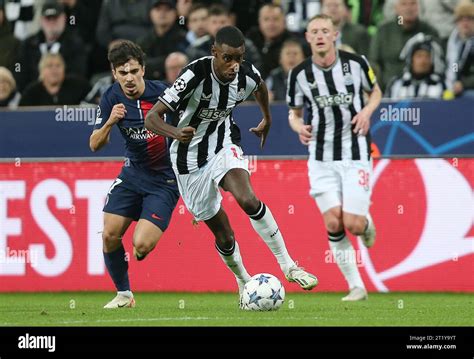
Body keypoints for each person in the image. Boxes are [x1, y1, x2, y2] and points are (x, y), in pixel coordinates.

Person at [145, 26, 318, 304]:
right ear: (214, 53)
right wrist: (176, 132)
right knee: (224, 235)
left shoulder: (246, 74)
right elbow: (151, 118)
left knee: (248, 199)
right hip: (187, 161)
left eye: (238, 58)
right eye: (227, 58)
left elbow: (261, 88)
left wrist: (267, 118)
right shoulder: (193, 75)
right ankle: (243, 279)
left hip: (224, 144)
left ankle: (289, 266)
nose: (234, 65)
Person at [287, 14, 382, 301]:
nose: (319, 36)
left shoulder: (357, 64)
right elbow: (294, 112)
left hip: (355, 154)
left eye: (325, 31)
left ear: (335, 35)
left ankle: (366, 225)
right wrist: (298, 127)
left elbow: (375, 92)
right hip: (320, 157)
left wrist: (366, 112)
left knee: (352, 223)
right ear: (307, 37)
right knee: (333, 223)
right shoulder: (299, 74)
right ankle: (356, 286)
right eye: (314, 31)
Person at [89, 40, 180, 309]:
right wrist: (109, 122)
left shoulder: (164, 93)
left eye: (133, 71)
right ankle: (124, 295)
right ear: (114, 73)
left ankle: (141, 249)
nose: (128, 78)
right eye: (122, 72)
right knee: (109, 234)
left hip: (164, 180)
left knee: (141, 245)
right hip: (132, 175)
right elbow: (94, 144)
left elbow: (191, 127)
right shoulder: (110, 97)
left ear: (143, 70)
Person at [19, 52, 90, 106]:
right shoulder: (31, 92)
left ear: (64, 69)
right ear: (41, 71)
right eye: (49, 66)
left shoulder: (79, 86)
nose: (54, 69)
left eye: (58, 65)